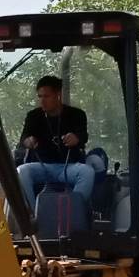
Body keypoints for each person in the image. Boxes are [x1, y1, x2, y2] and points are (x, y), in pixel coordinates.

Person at [15, 75, 93, 209]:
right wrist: (28, 141)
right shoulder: (33, 116)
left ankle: (72, 212)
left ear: (58, 95)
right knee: (21, 171)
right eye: (40, 96)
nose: (42, 101)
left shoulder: (77, 114)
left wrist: (75, 138)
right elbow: (23, 139)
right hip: (42, 166)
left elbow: (83, 136)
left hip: (68, 167)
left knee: (87, 172)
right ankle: (33, 214)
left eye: (46, 96)